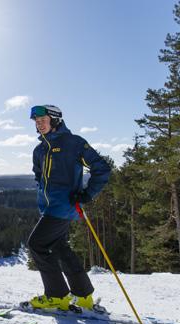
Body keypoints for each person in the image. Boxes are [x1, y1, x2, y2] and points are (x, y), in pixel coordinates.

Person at [27, 104, 111, 311]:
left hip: (63, 207)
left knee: (36, 244)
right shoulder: (39, 150)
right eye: (37, 122)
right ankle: (83, 296)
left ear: (55, 120)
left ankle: (57, 296)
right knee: (59, 246)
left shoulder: (73, 143)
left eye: (43, 120)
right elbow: (39, 176)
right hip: (51, 207)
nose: (39, 125)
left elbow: (102, 168)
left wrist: (87, 194)